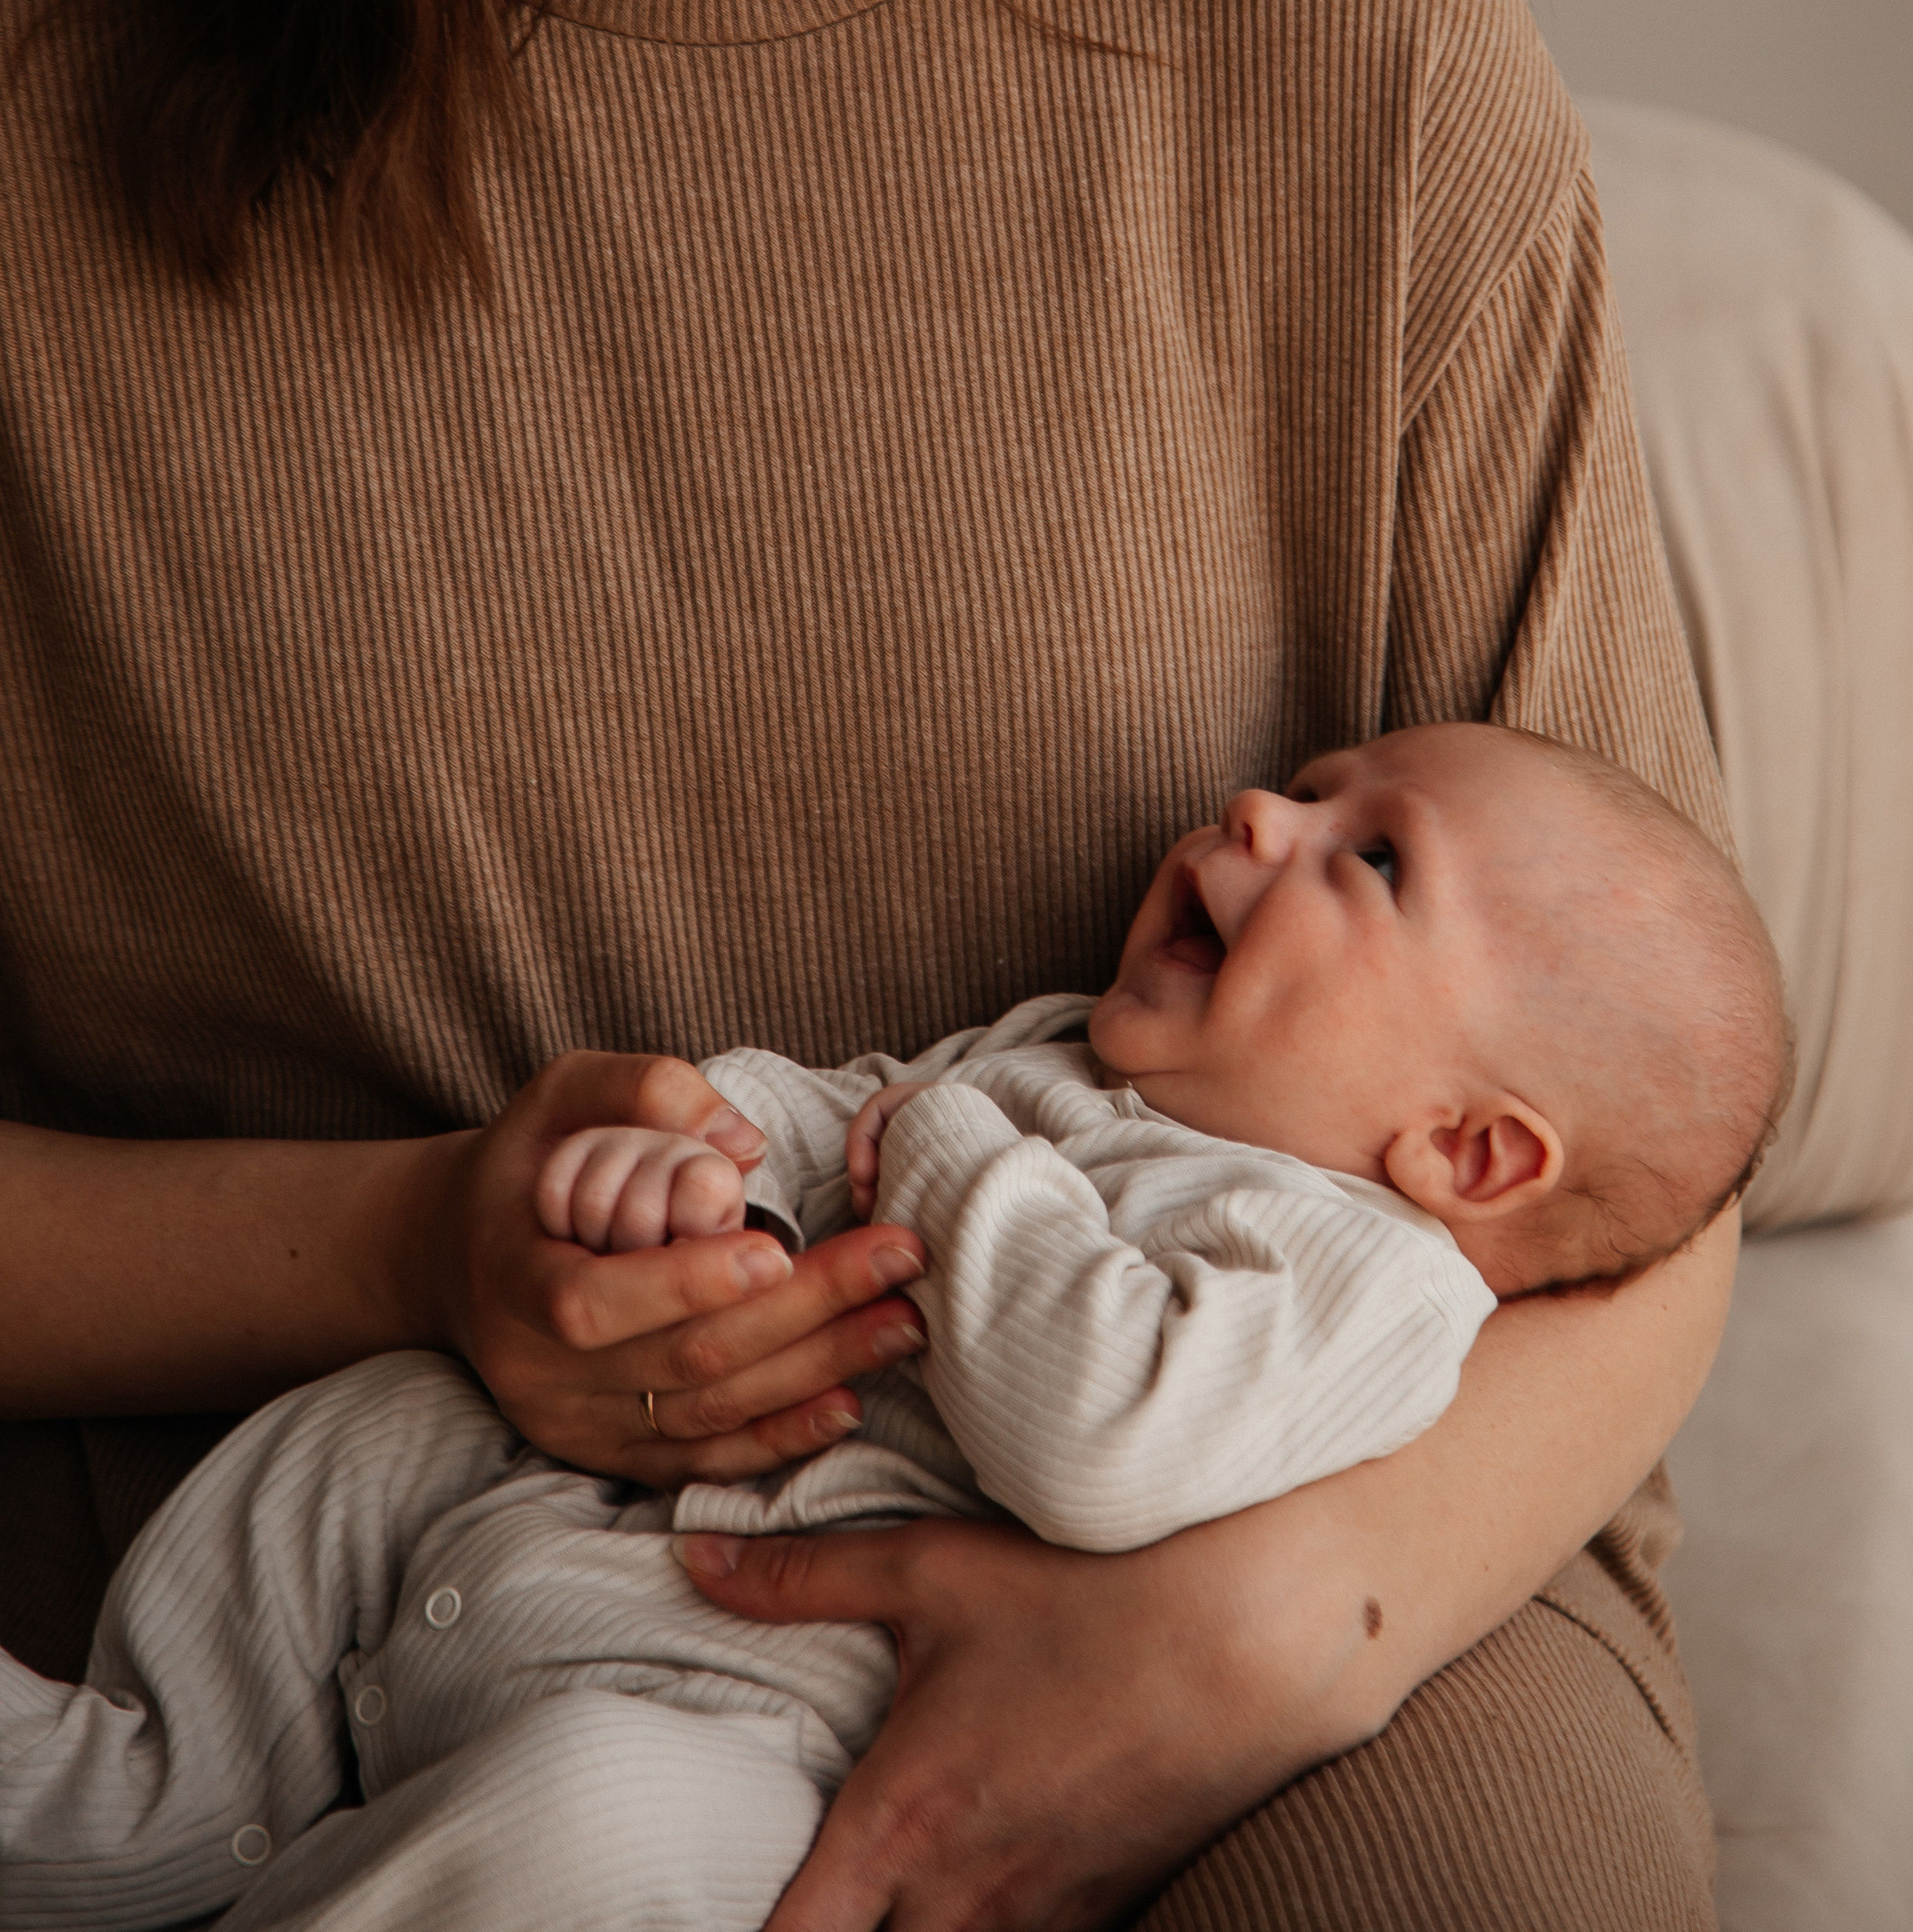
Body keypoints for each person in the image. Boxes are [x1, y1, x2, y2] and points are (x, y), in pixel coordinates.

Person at [0, 0, 1744, 1924]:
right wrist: (422, 1247)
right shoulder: (32, 68)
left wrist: (1260, 1638)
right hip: (292, 1581)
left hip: (1291, 1564)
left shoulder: (1349, 38)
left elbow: (1638, 1170)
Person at [0, 730, 1788, 1930]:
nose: (1259, 816)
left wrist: (948, 1147)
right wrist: (691, 1175)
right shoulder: (1065, 1054)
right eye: (1307, 789)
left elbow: (1101, 1432)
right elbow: (825, 1118)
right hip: (557, 1509)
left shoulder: (1356, 1276)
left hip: (733, 1720)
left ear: (1465, 1153)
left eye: (1368, 857)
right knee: (385, 1415)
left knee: (593, 1824)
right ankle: (141, 1788)